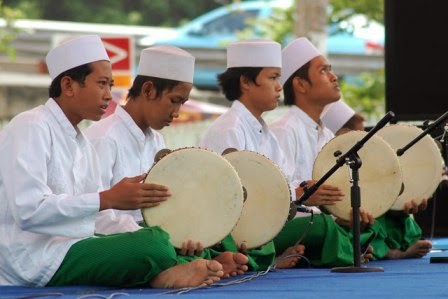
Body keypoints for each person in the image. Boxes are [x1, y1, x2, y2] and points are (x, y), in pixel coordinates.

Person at [0, 35, 225, 288]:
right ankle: (159, 275)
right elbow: (28, 211)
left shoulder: (80, 142)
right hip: (32, 259)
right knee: (154, 246)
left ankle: (167, 264)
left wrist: (168, 235)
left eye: (111, 85)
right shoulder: (31, 126)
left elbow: (101, 219)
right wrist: (108, 199)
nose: (109, 96)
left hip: (75, 244)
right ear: (68, 85)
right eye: (102, 84)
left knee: (168, 242)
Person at [200, 39, 371, 269]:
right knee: (319, 223)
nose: (280, 86)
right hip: (239, 226)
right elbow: (234, 196)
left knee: (351, 222)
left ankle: (276, 256)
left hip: (272, 220)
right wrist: (299, 194)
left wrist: (300, 193)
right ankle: (266, 259)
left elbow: (284, 183)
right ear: (245, 82)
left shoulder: (266, 133)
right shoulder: (229, 129)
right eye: (272, 78)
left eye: (279, 78)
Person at [84, 45, 248, 277]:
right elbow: (97, 217)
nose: (177, 111)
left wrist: (185, 230)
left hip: (154, 235)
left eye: (182, 103)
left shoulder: (157, 141)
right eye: (175, 100)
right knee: (155, 244)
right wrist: (165, 237)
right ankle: (182, 263)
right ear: (149, 90)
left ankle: (194, 259)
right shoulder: (104, 138)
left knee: (219, 229)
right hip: (123, 239)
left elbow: (169, 206)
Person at [270, 37, 431, 261]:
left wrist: (349, 214)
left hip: (328, 218)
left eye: (330, 70)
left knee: (377, 215)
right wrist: (318, 205)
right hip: (303, 220)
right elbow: (280, 198)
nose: (334, 77)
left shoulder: (325, 134)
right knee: (325, 224)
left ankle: (358, 247)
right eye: (323, 71)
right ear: (301, 84)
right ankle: (354, 251)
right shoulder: (284, 131)